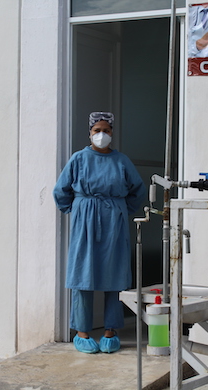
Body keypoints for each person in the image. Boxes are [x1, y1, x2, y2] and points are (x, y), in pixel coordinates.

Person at [53, 112, 146, 354]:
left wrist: (121, 209)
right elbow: (61, 190)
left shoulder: (121, 161)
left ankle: (110, 332)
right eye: (97, 130)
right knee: (83, 274)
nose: (101, 135)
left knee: (114, 275)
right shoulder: (79, 159)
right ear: (90, 133)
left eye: (106, 130)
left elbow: (137, 188)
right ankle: (82, 333)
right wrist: (76, 209)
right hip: (85, 219)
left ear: (112, 133)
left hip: (114, 220)